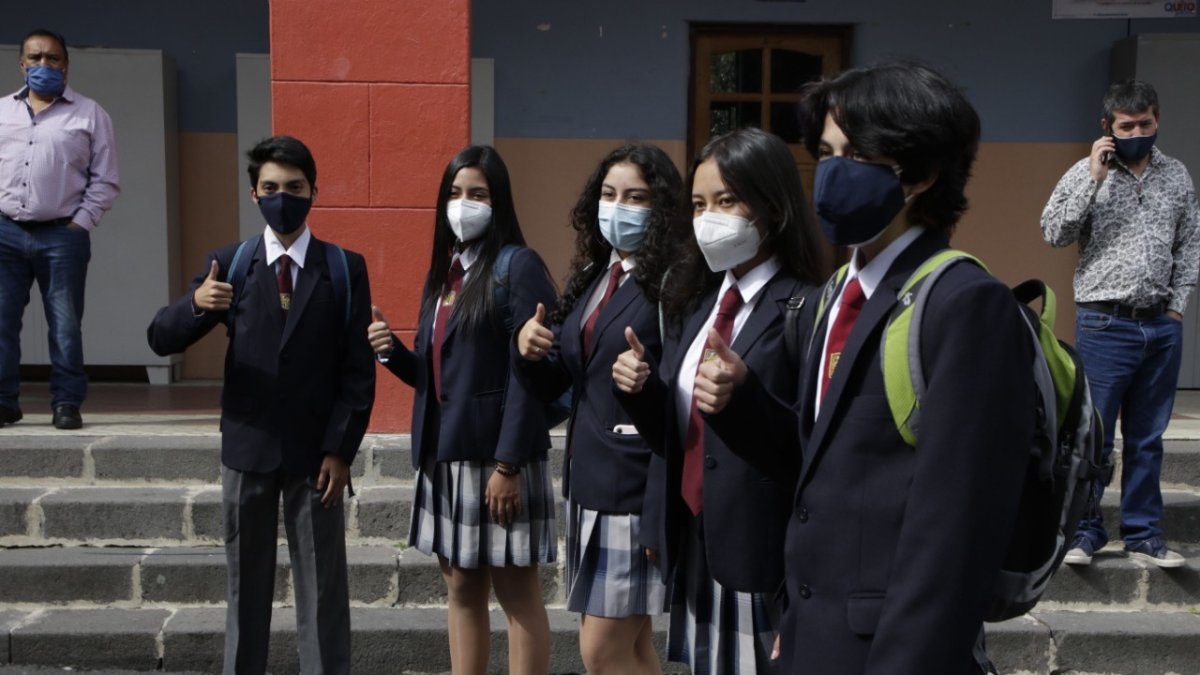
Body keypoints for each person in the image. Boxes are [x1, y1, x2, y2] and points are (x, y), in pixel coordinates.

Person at [765, 62, 1037, 673]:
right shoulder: (834, 293)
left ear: (921, 174)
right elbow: (822, 473)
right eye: (826, 151)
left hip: (889, 651)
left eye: (857, 154)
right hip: (812, 638)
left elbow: (953, 534)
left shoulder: (968, 304)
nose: (831, 172)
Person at [147, 136, 374, 675]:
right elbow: (161, 337)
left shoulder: (344, 268)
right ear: (254, 193)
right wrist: (196, 306)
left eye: (294, 188)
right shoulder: (231, 263)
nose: (283, 198)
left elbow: (357, 373)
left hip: (316, 458)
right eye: (270, 188)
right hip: (247, 452)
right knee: (245, 591)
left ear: (314, 191)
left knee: (323, 594)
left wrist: (340, 449)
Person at [611, 127, 825, 675]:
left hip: (766, 558)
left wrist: (743, 396)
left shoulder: (807, 307)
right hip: (698, 543)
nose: (710, 218)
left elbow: (812, 447)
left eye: (727, 200)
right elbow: (678, 434)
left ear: (772, 207)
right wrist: (641, 392)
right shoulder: (696, 302)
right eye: (700, 203)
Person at [367, 145, 556, 675]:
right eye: (454, 193)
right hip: (444, 455)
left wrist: (508, 466)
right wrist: (391, 352)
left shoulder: (516, 266)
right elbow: (441, 377)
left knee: (517, 593)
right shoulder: (446, 272)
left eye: (477, 193)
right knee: (462, 588)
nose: (463, 203)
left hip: (496, 461)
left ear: (499, 203)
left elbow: (529, 374)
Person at [514, 144, 680, 674]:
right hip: (587, 482)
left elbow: (674, 397)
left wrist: (646, 382)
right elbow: (564, 380)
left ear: (662, 208)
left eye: (636, 197)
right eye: (609, 194)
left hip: (634, 488)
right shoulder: (594, 275)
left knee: (601, 651)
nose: (619, 207)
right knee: (631, 648)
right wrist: (528, 350)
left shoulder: (673, 285)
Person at [1042, 80, 1198, 569]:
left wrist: (1176, 309)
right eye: (1127, 125)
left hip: (1160, 326)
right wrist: (1092, 177)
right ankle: (1085, 531)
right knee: (1095, 435)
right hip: (1105, 324)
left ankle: (1144, 534)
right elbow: (1053, 233)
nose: (1137, 132)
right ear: (1107, 127)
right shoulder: (1085, 173)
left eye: (1146, 124)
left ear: (1157, 120)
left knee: (1149, 438)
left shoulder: (1176, 175)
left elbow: (1190, 244)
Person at [0, 28, 119, 430]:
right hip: (6, 233)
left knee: (65, 323)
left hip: (62, 236)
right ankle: (4, 402)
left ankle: (66, 403)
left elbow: (105, 179)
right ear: (21, 63)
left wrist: (78, 225)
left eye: (52, 59)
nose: (43, 66)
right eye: (35, 58)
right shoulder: (1, 112)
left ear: (66, 65)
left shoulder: (89, 114)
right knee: (2, 320)